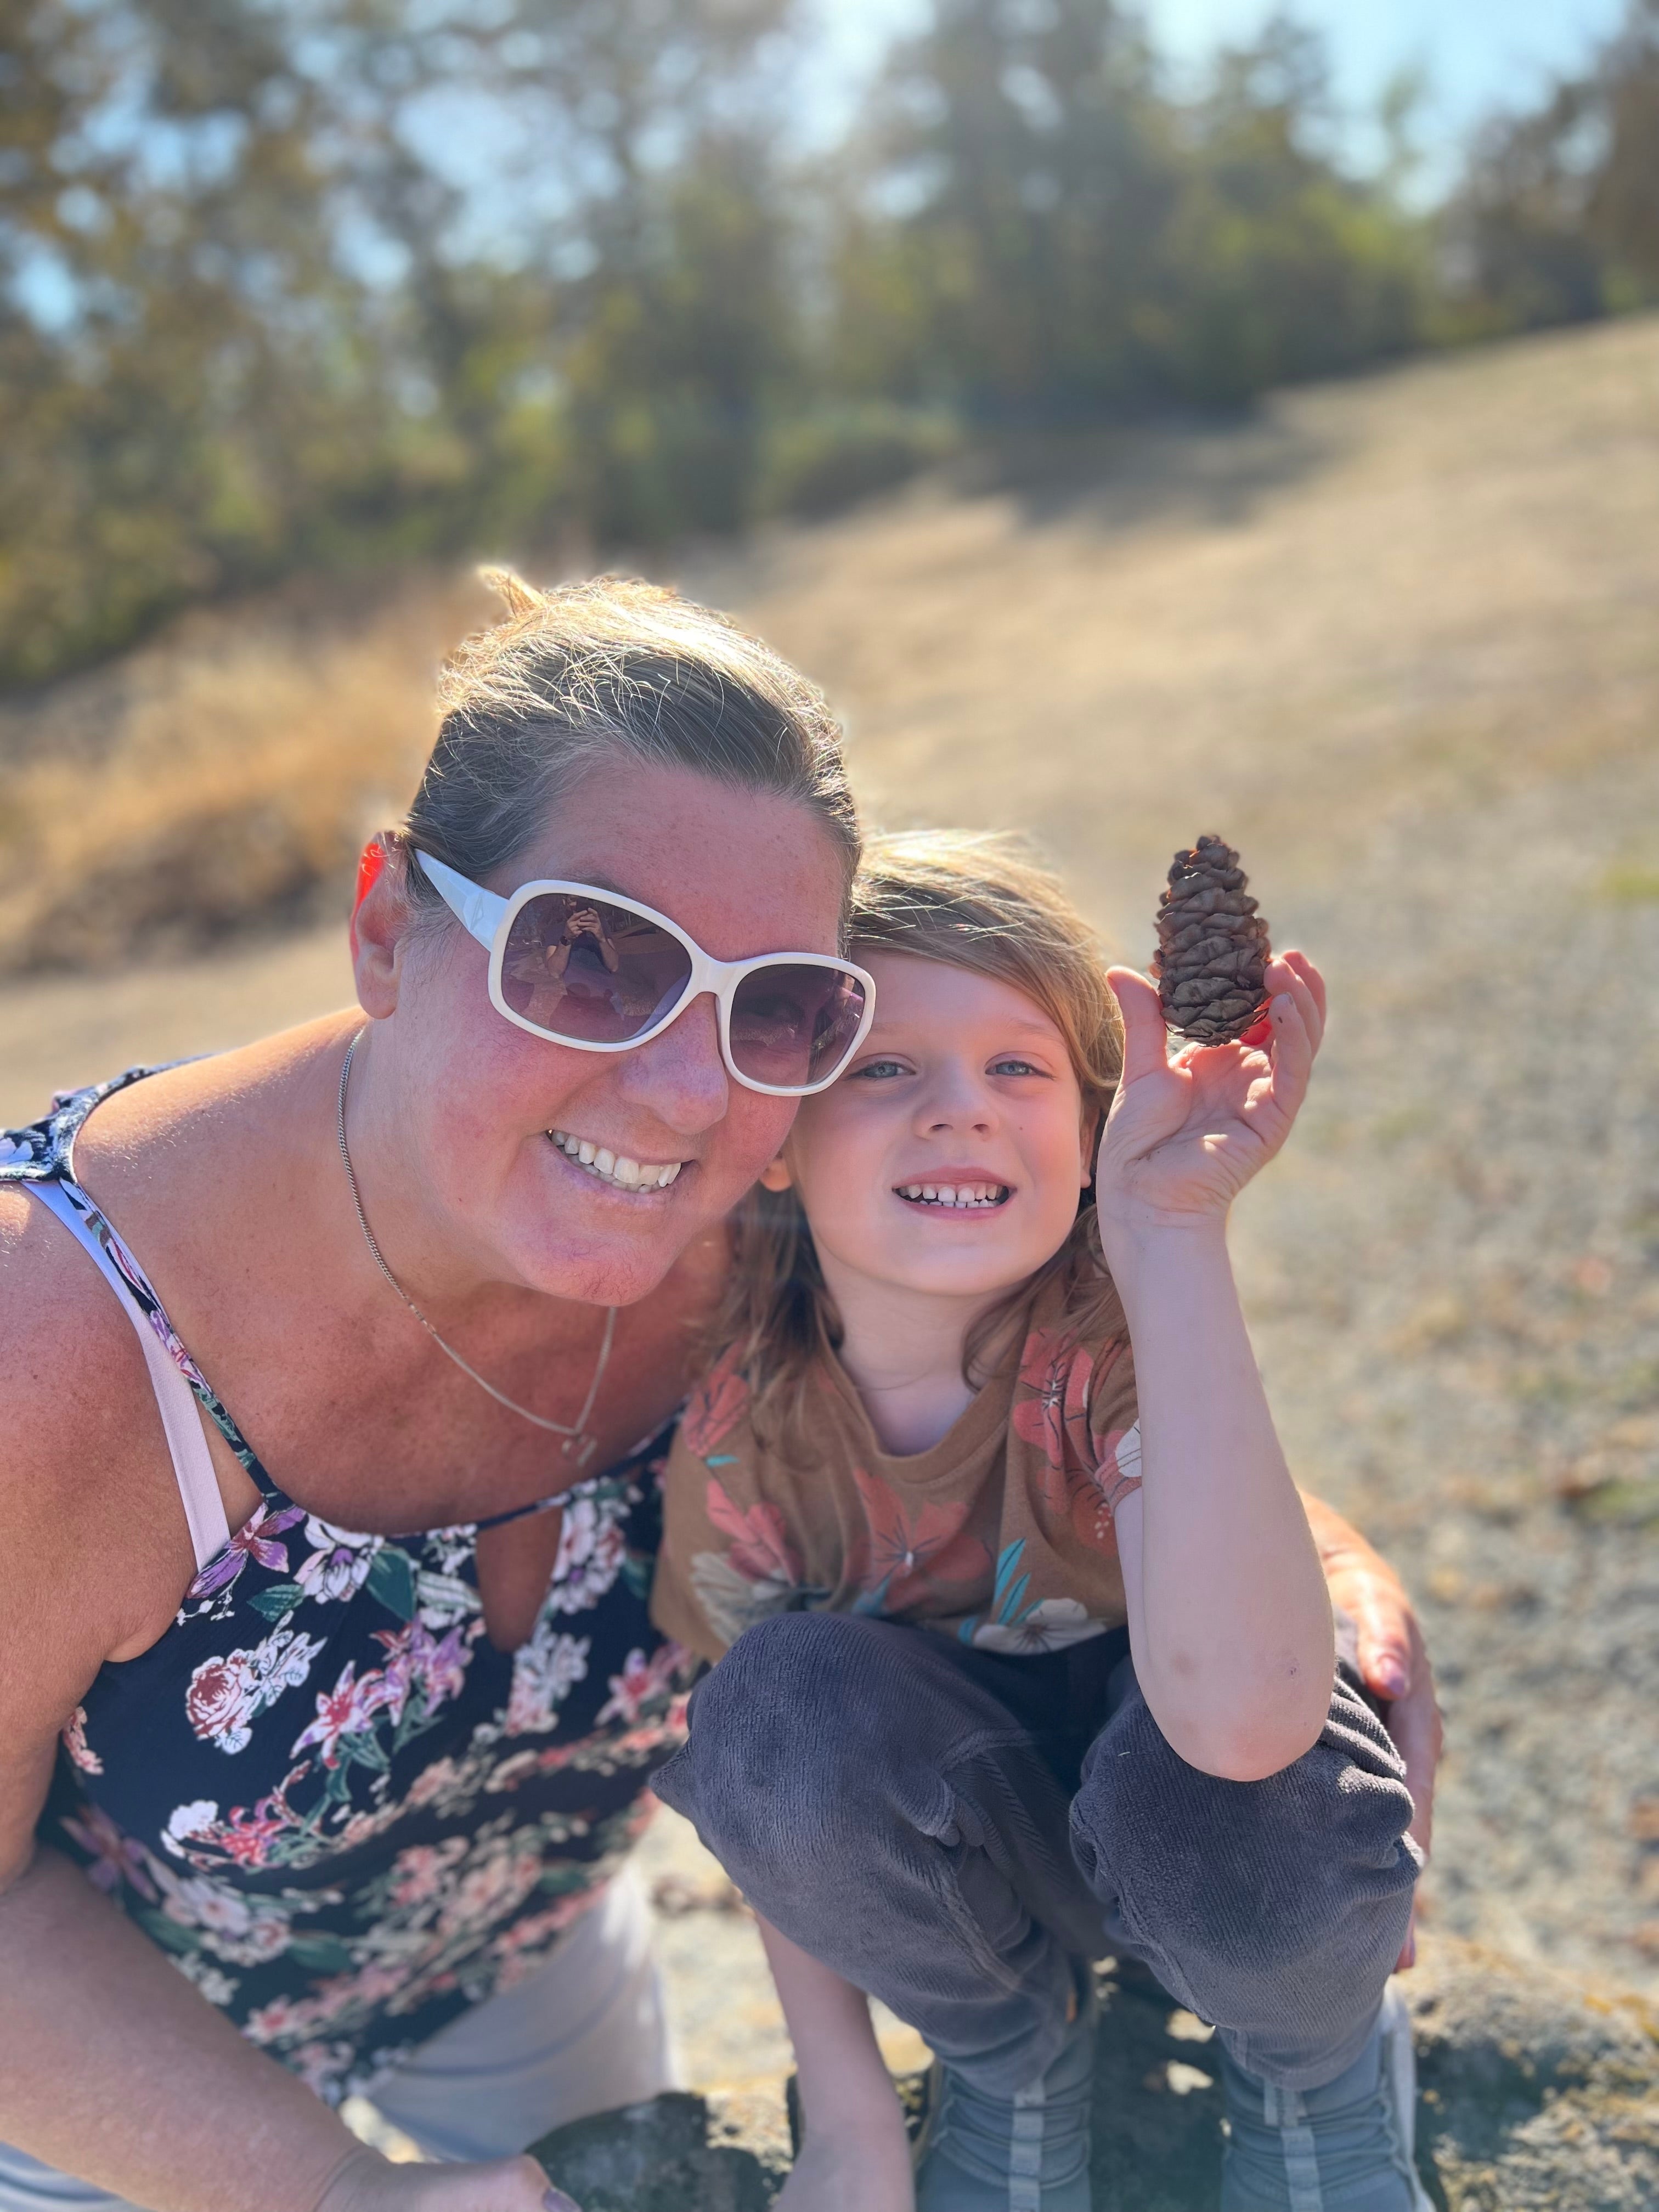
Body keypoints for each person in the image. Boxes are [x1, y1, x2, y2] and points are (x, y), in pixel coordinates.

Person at [0, 571, 1438, 2212]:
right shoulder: (51, 1346)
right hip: (99, 2080)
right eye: (593, 957)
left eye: (785, 1008)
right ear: (391, 924)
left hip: (536, 1977)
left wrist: (1326, 1571)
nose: (689, 1090)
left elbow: (1045, 1379)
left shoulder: (750, 1192)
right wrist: (337, 2192)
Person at [653, 834, 1430, 2211]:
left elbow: (1249, 1726)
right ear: (772, 1137)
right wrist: (845, 2120)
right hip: (988, 1869)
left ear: (1088, 1133)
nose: (960, 1109)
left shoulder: (1118, 1341)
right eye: (883, 1066)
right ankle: (1016, 2054)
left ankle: (1316, 2073)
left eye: (1019, 1066)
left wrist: (1173, 1232)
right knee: (762, 1713)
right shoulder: (737, 1424)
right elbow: (761, 1804)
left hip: (1219, 1838)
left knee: (1248, 1768)